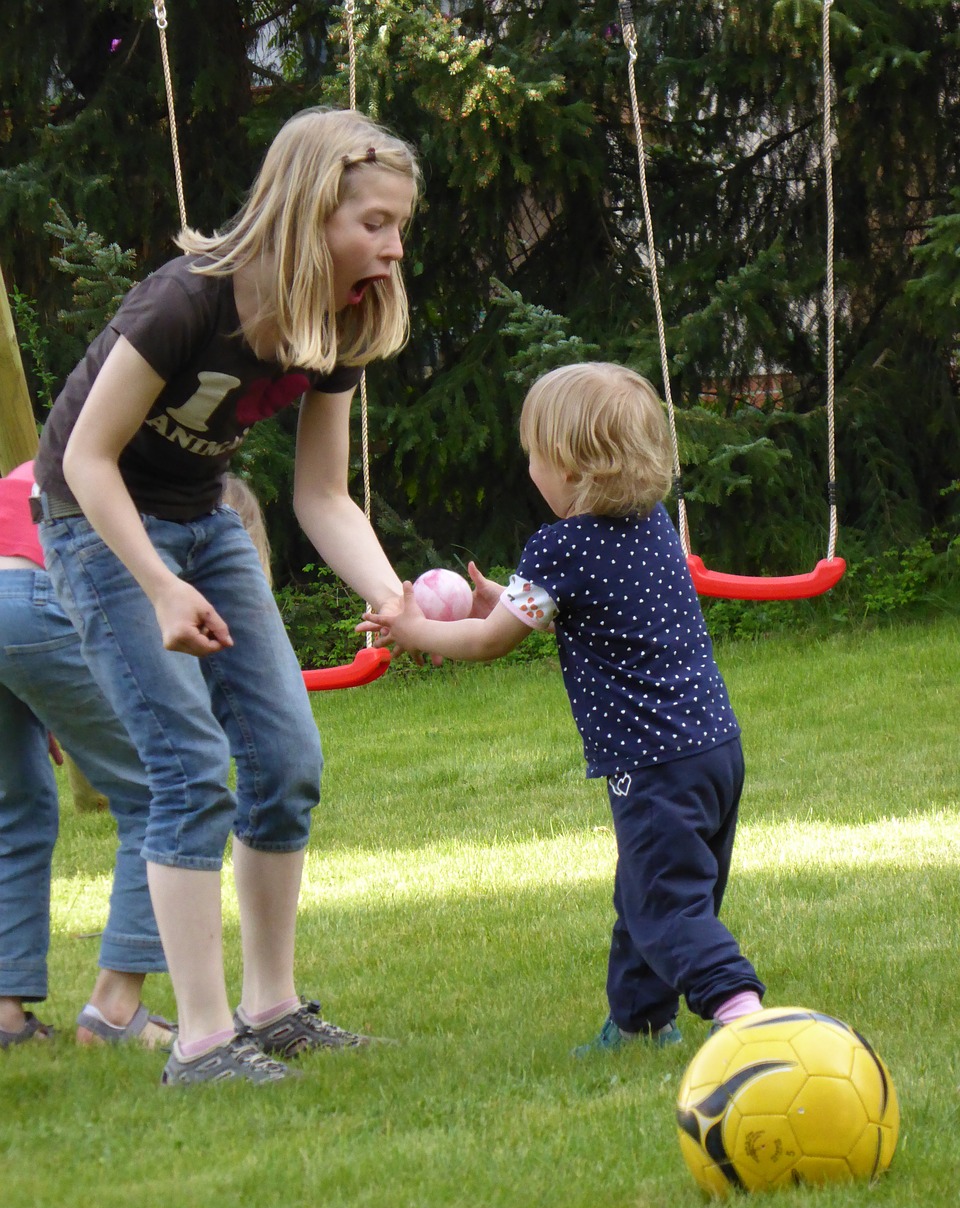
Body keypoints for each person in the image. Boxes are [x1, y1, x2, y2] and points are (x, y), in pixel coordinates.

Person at [33, 106, 421, 1085]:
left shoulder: (339, 323)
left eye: (400, 225)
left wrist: (391, 591)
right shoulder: (187, 300)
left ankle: (272, 1008)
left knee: (286, 756)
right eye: (374, 222)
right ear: (309, 208)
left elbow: (322, 494)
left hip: (204, 520)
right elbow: (84, 458)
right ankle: (203, 1040)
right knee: (190, 762)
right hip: (94, 518)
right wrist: (158, 586)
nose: (393, 245)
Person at [361, 362, 766, 1054]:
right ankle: (640, 1025)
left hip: (653, 760)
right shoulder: (651, 525)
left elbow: (489, 644)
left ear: (574, 466)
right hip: (713, 749)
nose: (528, 470)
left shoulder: (560, 546)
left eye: (534, 456)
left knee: (665, 904)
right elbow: (598, 615)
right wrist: (509, 605)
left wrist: (411, 629)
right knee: (644, 890)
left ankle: (743, 1012)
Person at [0, 459, 172, 1050]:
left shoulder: (54, 457)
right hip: (39, 597)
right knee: (161, 793)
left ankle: (4, 1016)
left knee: (14, 812)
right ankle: (114, 1011)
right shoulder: (167, 475)